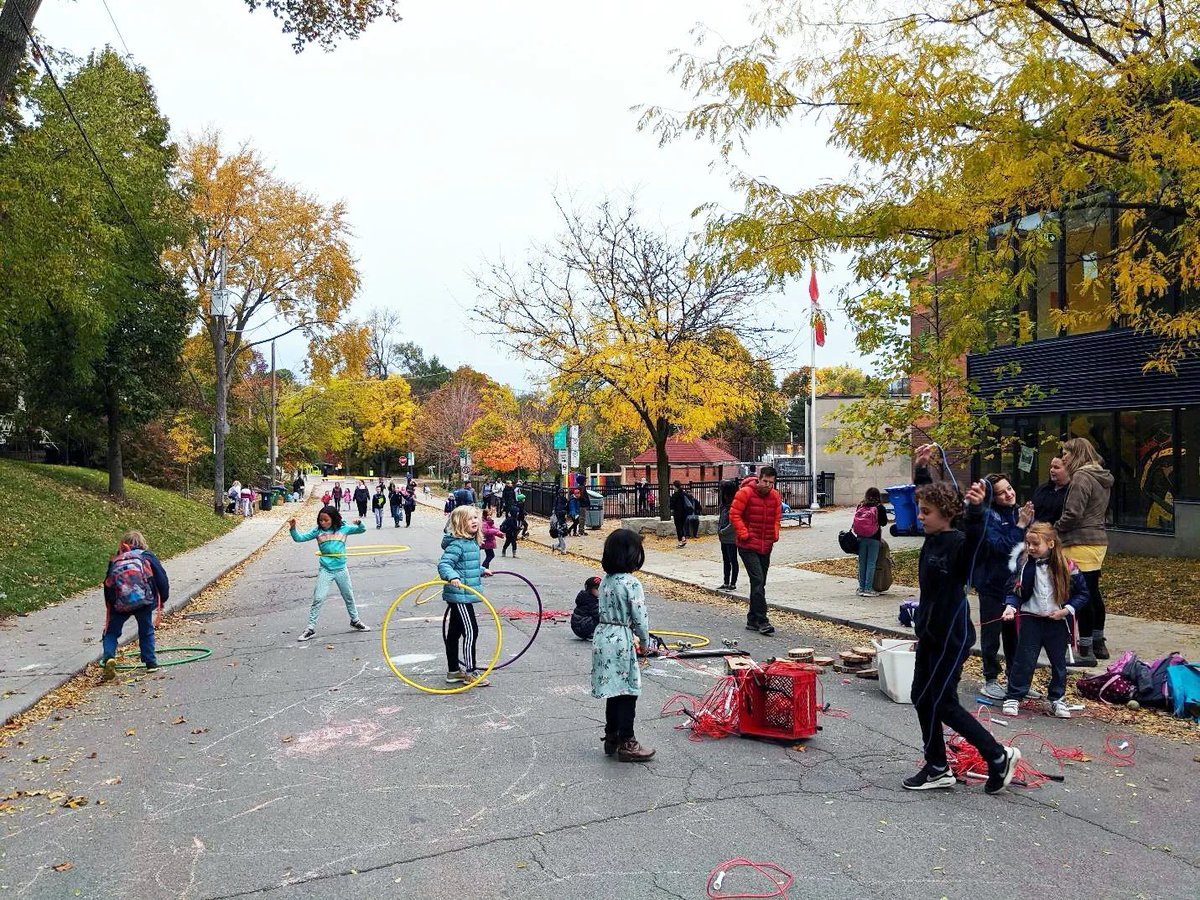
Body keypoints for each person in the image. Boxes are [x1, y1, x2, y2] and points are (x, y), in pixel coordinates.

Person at [904, 444, 1021, 794]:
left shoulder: (957, 543)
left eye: (926, 512)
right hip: (930, 632)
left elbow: (977, 538)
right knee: (920, 696)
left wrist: (977, 506)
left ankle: (997, 755)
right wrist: (923, 469)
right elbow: (927, 493)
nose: (920, 516)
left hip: (951, 638)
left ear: (945, 515)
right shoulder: (933, 537)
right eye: (919, 510)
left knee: (942, 702)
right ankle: (938, 766)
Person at [1001, 522, 1090, 719]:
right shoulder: (1023, 564)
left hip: (1057, 622)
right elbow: (1014, 590)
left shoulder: (1068, 566)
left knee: (1059, 663)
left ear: (1050, 543)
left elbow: (1083, 593)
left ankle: (1057, 698)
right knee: (1024, 659)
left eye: (1035, 544)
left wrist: (1066, 611)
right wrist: (1010, 607)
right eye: (1028, 543)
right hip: (1030, 620)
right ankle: (1014, 695)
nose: (1031, 548)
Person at [592, 529, 654, 762]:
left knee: (613, 689)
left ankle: (612, 734)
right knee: (628, 690)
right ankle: (628, 740)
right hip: (620, 639)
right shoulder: (631, 582)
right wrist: (645, 643)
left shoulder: (606, 580)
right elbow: (640, 616)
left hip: (603, 636)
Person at [971, 473, 1034, 701]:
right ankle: (990, 678)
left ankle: (1015, 680)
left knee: (1015, 636)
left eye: (1010, 488)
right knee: (992, 634)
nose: (1009, 494)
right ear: (992, 497)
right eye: (1002, 492)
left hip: (1016, 586)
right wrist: (1019, 526)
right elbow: (1000, 547)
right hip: (992, 584)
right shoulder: (988, 517)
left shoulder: (1021, 512)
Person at [1056, 437, 1114, 665]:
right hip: (1098, 540)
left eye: (1066, 454)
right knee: (1093, 592)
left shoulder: (1081, 476)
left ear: (1077, 454)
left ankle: (1085, 650)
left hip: (1080, 540)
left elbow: (1073, 513)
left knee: (1082, 595)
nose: (1063, 458)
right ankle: (1099, 643)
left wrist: (1053, 530)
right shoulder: (1100, 476)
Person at [289, 506, 370, 641]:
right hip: (326, 569)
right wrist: (293, 528)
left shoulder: (343, 529)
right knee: (318, 598)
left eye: (326, 520)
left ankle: (355, 620)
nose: (323, 523)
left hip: (341, 569)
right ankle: (310, 628)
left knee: (348, 596)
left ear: (333, 519)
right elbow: (299, 538)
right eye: (320, 520)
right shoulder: (318, 531)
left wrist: (359, 523)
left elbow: (362, 530)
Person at [100, 531, 169, 681]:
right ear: (142, 543)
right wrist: (162, 598)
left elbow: (108, 584)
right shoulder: (147, 556)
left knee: (111, 632)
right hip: (144, 601)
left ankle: (109, 657)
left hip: (120, 603)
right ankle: (151, 663)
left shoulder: (116, 560)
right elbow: (161, 578)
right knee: (146, 631)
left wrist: (111, 605)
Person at [438, 505, 490, 685]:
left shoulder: (471, 542)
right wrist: (451, 576)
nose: (475, 521)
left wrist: (481, 570)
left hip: (462, 594)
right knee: (471, 631)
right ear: (460, 523)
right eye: (470, 519)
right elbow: (445, 565)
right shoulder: (458, 544)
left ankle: (453, 671)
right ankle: (470, 671)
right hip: (460, 595)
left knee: (454, 633)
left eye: (476, 517)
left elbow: (467, 566)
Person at [728, 466, 781, 635]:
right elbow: (734, 514)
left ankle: (752, 619)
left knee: (759, 583)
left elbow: (776, 518)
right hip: (748, 545)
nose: (767, 485)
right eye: (765, 481)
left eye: (771, 483)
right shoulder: (745, 493)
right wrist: (744, 533)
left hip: (766, 545)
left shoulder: (774, 496)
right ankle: (762, 620)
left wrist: (775, 534)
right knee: (758, 580)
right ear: (759, 478)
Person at [853, 487, 889, 597]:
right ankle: (868, 588)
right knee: (871, 563)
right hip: (874, 538)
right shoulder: (879, 507)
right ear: (878, 496)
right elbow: (883, 523)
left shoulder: (861, 505)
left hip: (860, 537)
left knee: (862, 562)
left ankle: (861, 588)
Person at [715, 478, 740, 592]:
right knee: (726, 560)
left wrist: (722, 531)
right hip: (723, 538)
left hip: (731, 538)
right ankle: (726, 581)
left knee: (733, 560)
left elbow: (733, 524)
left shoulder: (733, 506)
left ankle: (733, 583)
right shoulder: (724, 506)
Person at [1032, 456, 1070, 525]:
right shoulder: (1042, 489)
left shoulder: (1073, 491)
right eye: (1051, 467)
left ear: (1068, 470)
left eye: (1056, 467)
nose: (1052, 470)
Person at [571, 575, 602, 640]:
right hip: (582, 627)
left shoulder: (587, 597)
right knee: (601, 617)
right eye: (596, 589)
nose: (599, 591)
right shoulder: (589, 600)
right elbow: (598, 614)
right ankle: (591, 633)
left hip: (579, 625)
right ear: (589, 589)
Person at [669, 481, 692, 548]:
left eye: (673, 486)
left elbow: (672, 505)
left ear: (675, 487)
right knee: (682, 527)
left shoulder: (675, 495)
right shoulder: (684, 493)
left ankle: (681, 541)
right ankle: (683, 538)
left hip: (677, 513)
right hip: (684, 513)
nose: (672, 487)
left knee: (678, 527)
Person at [480, 507, 502, 574]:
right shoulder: (484, 523)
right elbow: (486, 531)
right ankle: (483, 569)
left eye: (490, 515)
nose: (489, 516)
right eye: (488, 515)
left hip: (489, 541)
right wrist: (495, 531)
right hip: (486, 541)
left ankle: (486, 570)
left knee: (489, 555)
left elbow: (494, 528)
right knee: (490, 555)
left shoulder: (489, 522)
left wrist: (499, 533)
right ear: (484, 515)